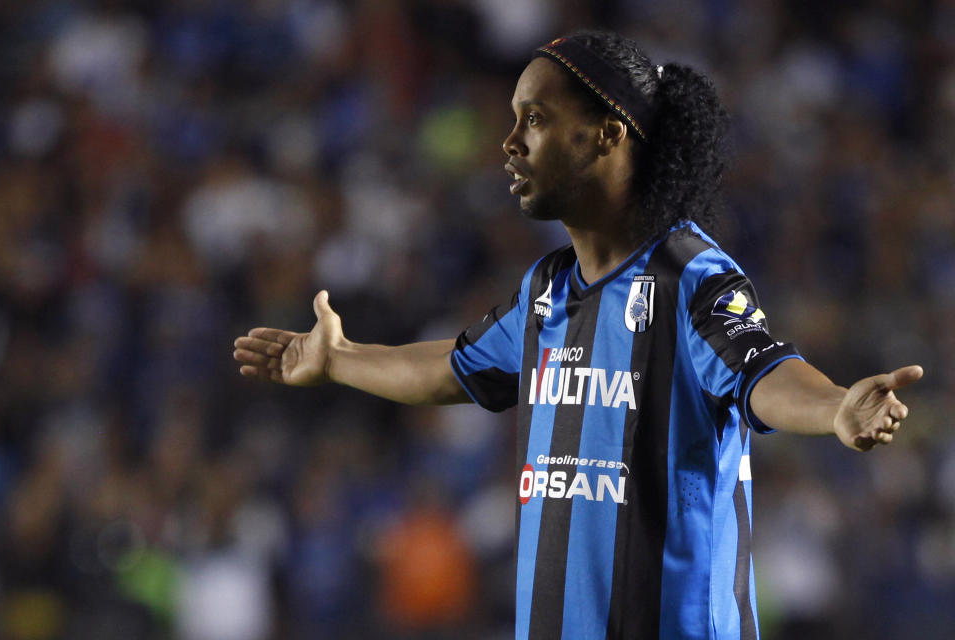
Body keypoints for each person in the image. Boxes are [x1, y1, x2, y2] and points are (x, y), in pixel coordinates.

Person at [233, 31, 923, 640]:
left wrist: (835, 406)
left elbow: (763, 374)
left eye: (534, 119)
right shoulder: (547, 290)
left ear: (605, 133)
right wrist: (341, 358)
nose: (509, 142)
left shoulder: (691, 276)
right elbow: (451, 368)